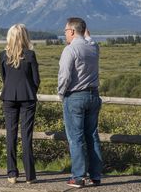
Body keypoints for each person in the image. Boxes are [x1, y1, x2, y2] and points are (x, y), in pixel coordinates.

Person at [58, 17, 103, 188]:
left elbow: (64, 76)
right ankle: (95, 175)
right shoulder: (93, 47)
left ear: (71, 31)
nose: (64, 34)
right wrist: (87, 36)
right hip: (93, 95)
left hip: (75, 96)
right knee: (92, 135)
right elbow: (91, 40)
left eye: (65, 31)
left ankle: (78, 176)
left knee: (75, 138)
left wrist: (62, 94)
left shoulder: (70, 50)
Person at [0, 24, 40, 184]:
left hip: (9, 97)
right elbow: (36, 79)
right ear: (24, 37)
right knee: (26, 136)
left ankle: (12, 173)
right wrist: (30, 89)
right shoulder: (30, 55)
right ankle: (30, 175)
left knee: (10, 134)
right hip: (27, 97)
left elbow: (4, 77)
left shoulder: (3, 55)